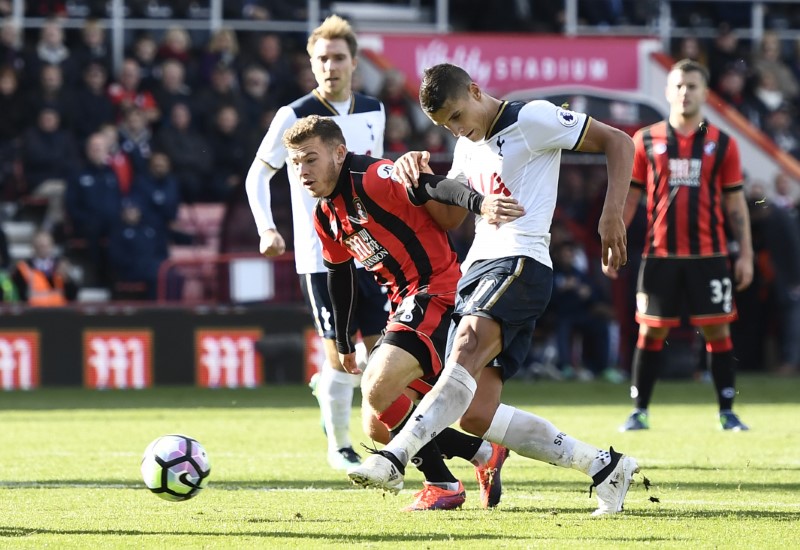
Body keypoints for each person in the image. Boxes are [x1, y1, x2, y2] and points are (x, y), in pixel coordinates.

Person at [347, 62, 639, 516]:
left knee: (463, 346)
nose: (456, 129)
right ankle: (605, 467)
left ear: (475, 90)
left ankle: (394, 456)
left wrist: (611, 213)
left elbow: (618, 141)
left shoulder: (532, 119)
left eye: (457, 117)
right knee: (477, 416)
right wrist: (420, 182)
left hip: (521, 262)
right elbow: (451, 218)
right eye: (445, 125)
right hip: (476, 270)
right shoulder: (466, 145)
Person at [284, 114, 519, 510]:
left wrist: (480, 203)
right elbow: (339, 277)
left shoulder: (372, 175)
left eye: (310, 159)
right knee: (377, 424)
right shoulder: (326, 215)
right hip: (404, 302)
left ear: (339, 153)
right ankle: (483, 453)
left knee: (377, 388)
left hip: (438, 289)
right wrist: (343, 340)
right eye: (295, 164)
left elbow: (431, 186)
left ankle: (442, 484)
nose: (302, 172)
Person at [245, 15, 389, 471]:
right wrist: (268, 228)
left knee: (385, 353)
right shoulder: (294, 115)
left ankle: (381, 429)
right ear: (311, 65)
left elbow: (372, 178)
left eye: (338, 57)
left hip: (371, 251)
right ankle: (341, 444)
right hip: (320, 255)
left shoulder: (374, 110)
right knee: (344, 357)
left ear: (354, 62)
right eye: (322, 59)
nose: (330, 66)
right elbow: (257, 173)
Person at [605, 59, 754, 432]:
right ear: (669, 92)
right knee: (651, 331)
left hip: (711, 255)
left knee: (719, 331)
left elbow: (736, 204)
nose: (685, 92)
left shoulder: (723, 143)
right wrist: (613, 243)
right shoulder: (646, 140)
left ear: (705, 93)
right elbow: (631, 200)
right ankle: (639, 411)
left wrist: (746, 254)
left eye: (693, 86)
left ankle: (727, 411)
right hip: (660, 256)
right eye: (679, 85)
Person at [12, 230, 78, 306]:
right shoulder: (23, 268)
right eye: (40, 246)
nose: (43, 249)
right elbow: (17, 295)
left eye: (46, 245)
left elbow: (73, 295)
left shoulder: (61, 265)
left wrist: (66, 279)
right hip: (32, 313)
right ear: (34, 247)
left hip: (58, 312)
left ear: (52, 246)